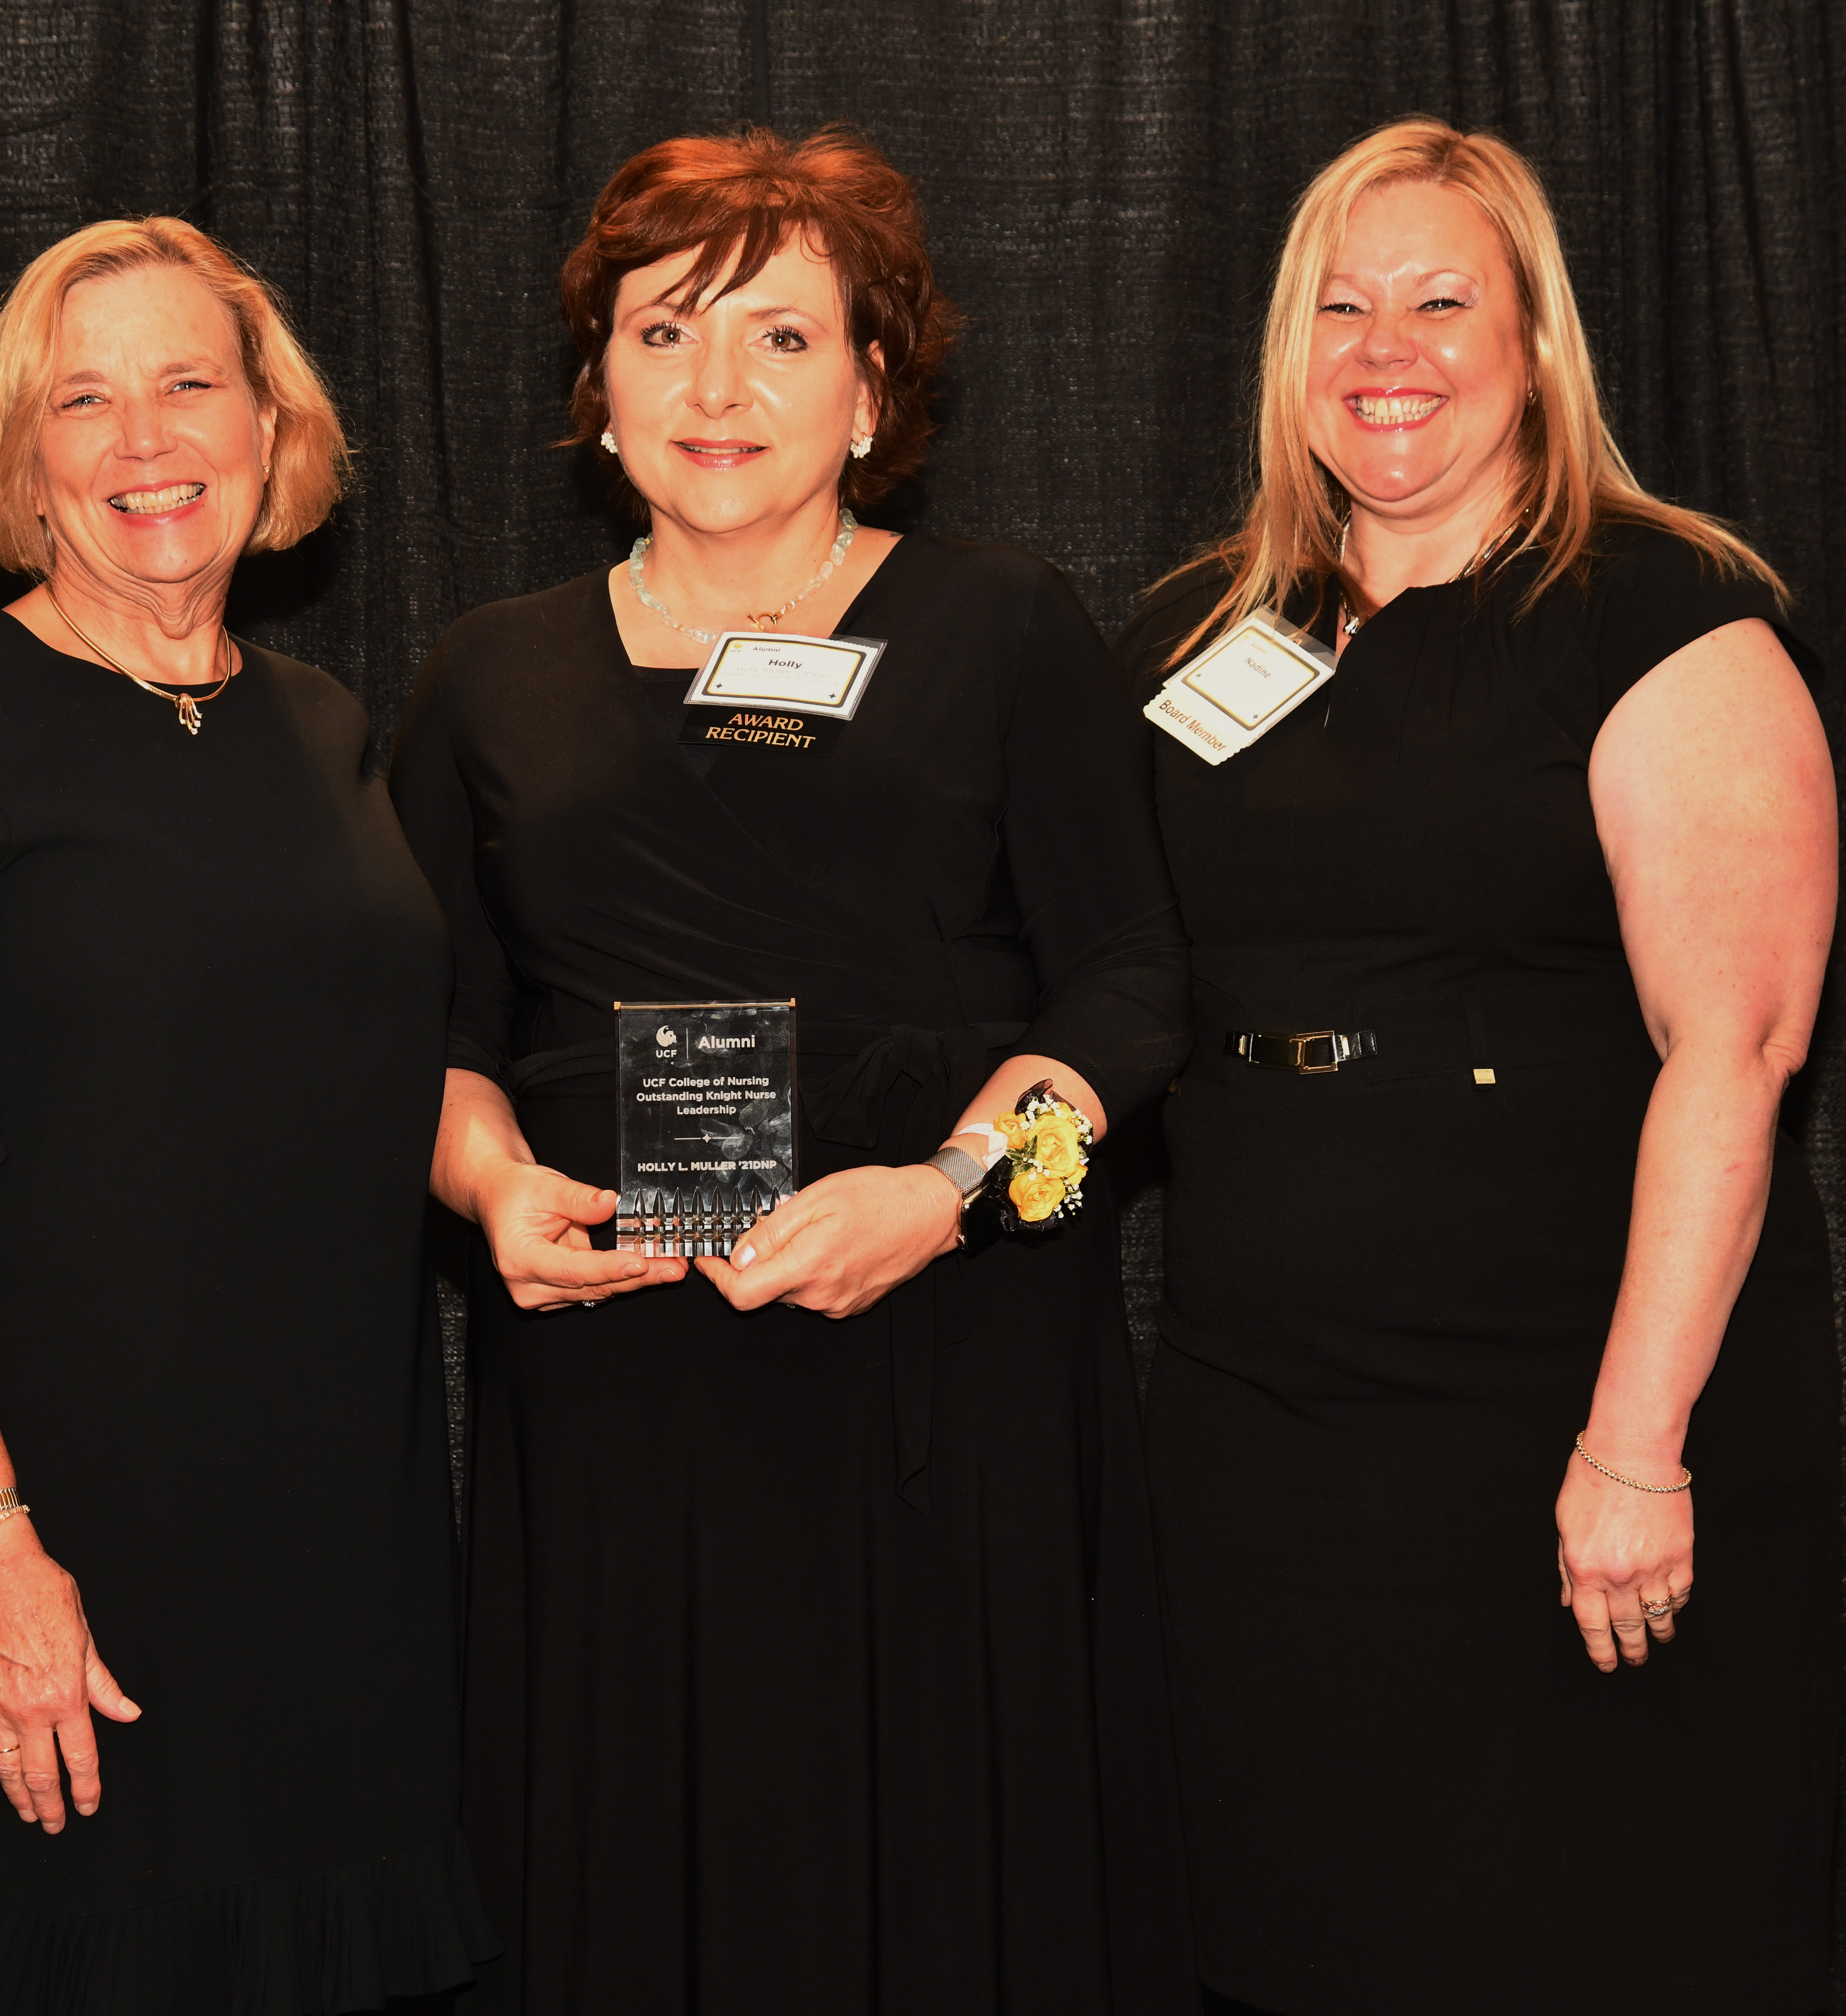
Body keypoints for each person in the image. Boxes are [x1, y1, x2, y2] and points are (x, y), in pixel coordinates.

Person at [392, 128, 1195, 2015]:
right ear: (595, 384)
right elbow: (425, 1031)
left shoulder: (1003, 625)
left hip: (948, 1346)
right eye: (662, 334)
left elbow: (1134, 990)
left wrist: (958, 1193)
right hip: (615, 1376)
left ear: (872, 386)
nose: (715, 389)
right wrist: (488, 1190)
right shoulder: (481, 673)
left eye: (776, 336)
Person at [0, 218, 489, 2015]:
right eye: (85, 399)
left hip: (336, 1566)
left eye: (187, 385)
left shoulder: (323, 726)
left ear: (271, 431)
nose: (145, 439)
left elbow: (383, 1085)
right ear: (26, 463)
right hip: (61, 1554)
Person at [1121, 119, 1841, 2015]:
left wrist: (1631, 1444)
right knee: (1291, 1936)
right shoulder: (1195, 640)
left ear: (1535, 345)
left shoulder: (1658, 617)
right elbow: (1083, 991)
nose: (1388, 347)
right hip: (1265, 1439)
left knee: (1586, 1937)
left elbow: (1734, 1047)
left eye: (1443, 301)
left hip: (1564, 1430)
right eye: (1342, 307)